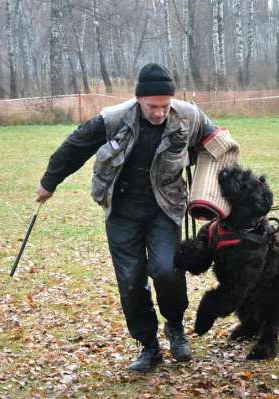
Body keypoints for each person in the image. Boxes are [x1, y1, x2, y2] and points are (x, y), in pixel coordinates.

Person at [36, 63, 221, 372]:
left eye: (165, 105)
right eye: (153, 106)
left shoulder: (188, 115)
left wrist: (214, 190)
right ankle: (148, 346)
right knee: (131, 282)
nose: (160, 112)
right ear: (139, 100)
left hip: (165, 208)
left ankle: (174, 327)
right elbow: (75, 146)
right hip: (123, 211)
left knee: (166, 270)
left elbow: (218, 143)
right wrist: (49, 182)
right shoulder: (113, 119)